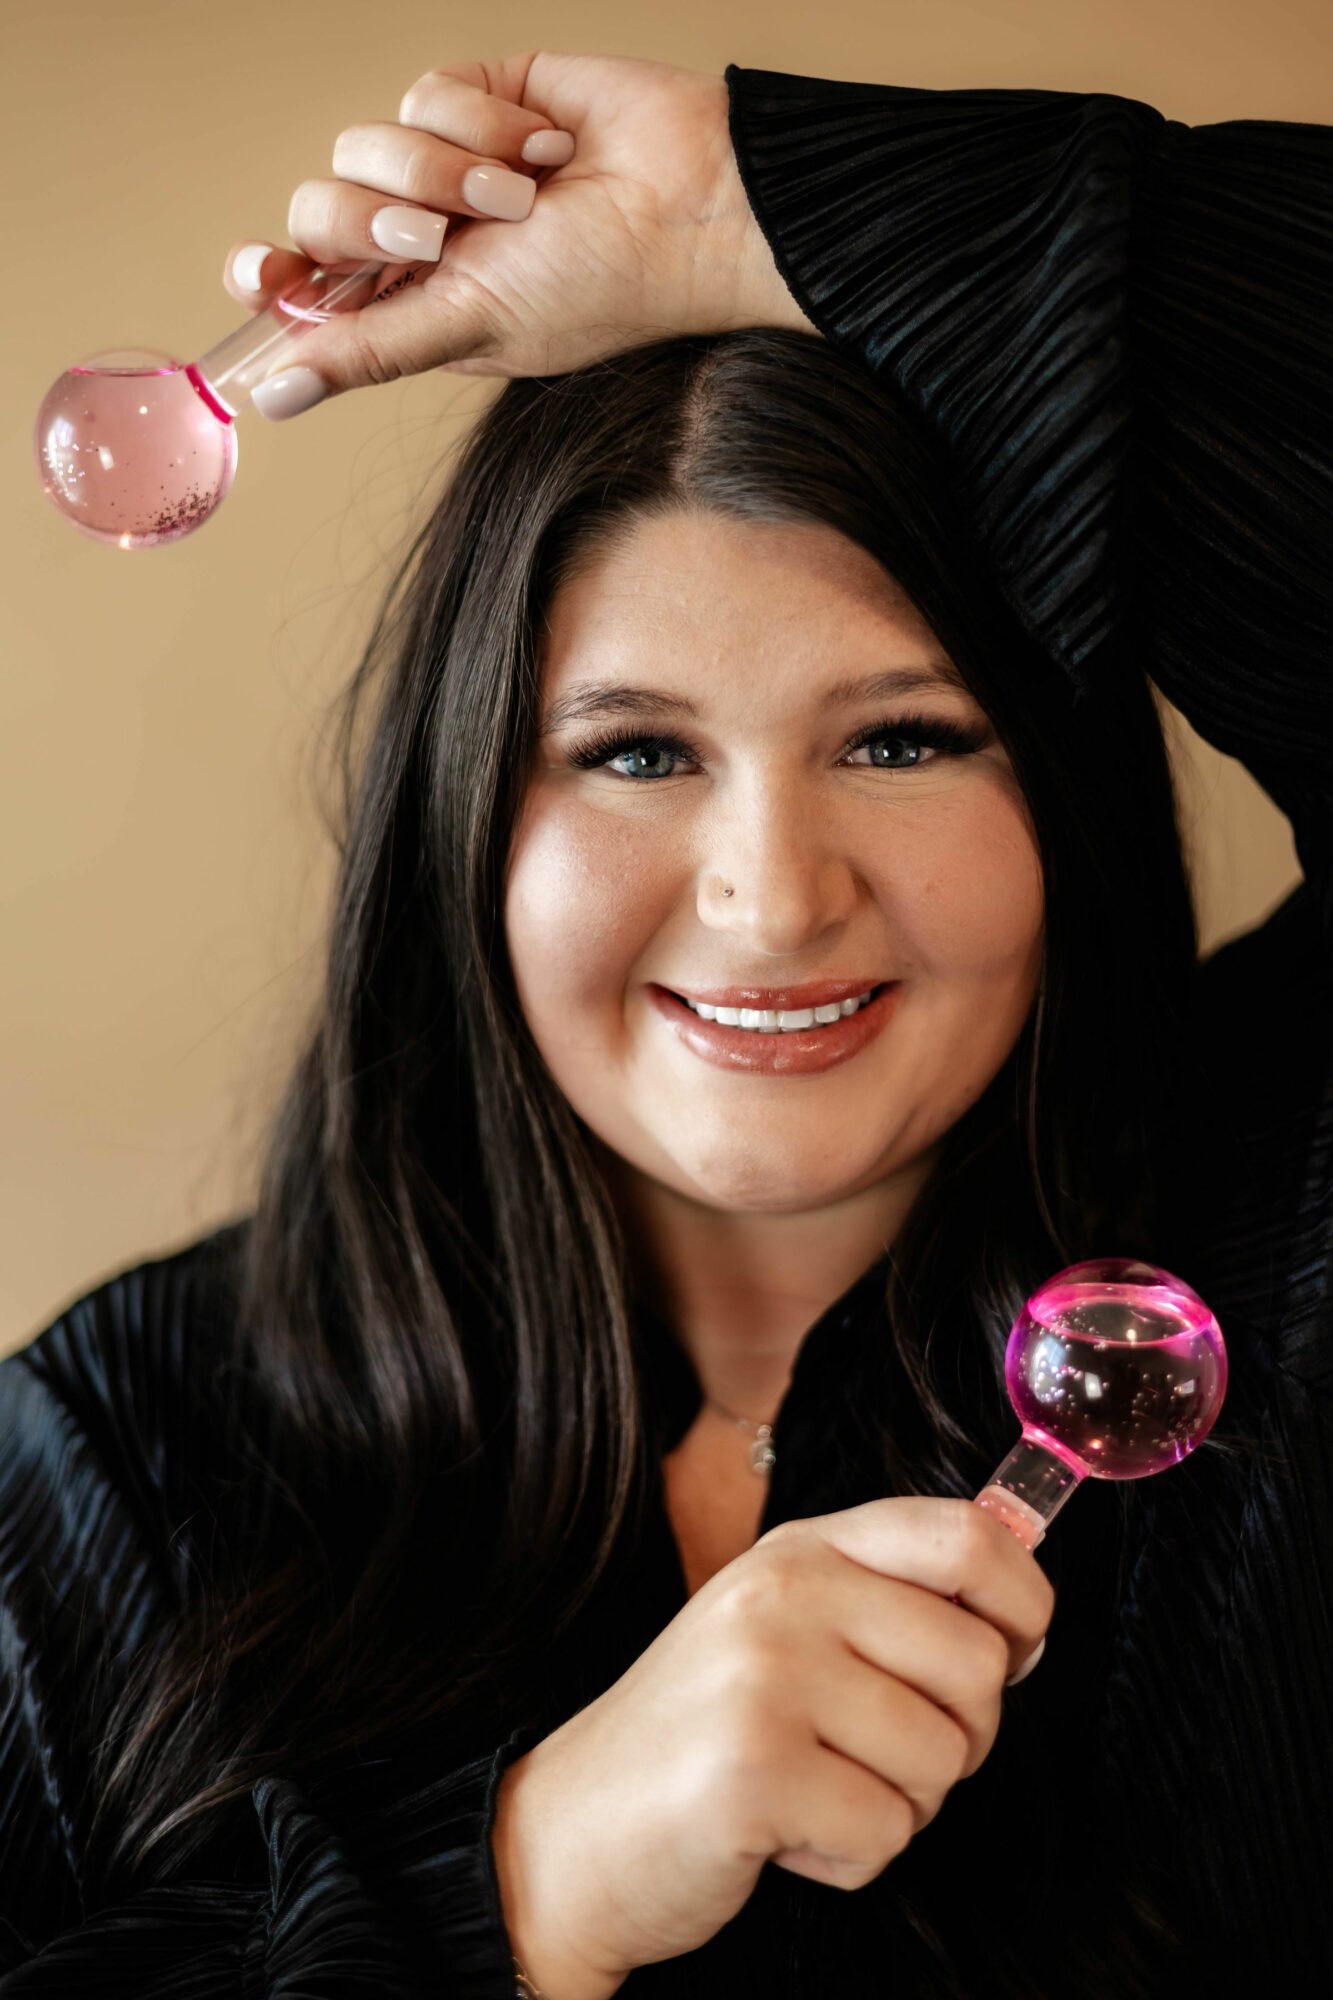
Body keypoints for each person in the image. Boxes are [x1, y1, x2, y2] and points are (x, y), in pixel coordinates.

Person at [1, 51, 1329, 1999]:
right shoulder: (117, 1452)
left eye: (902, 738)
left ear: (1061, 793)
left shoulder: (1280, 1248)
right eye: (634, 753)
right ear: (465, 821)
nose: (772, 899)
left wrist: (747, 212)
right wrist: (523, 1883)